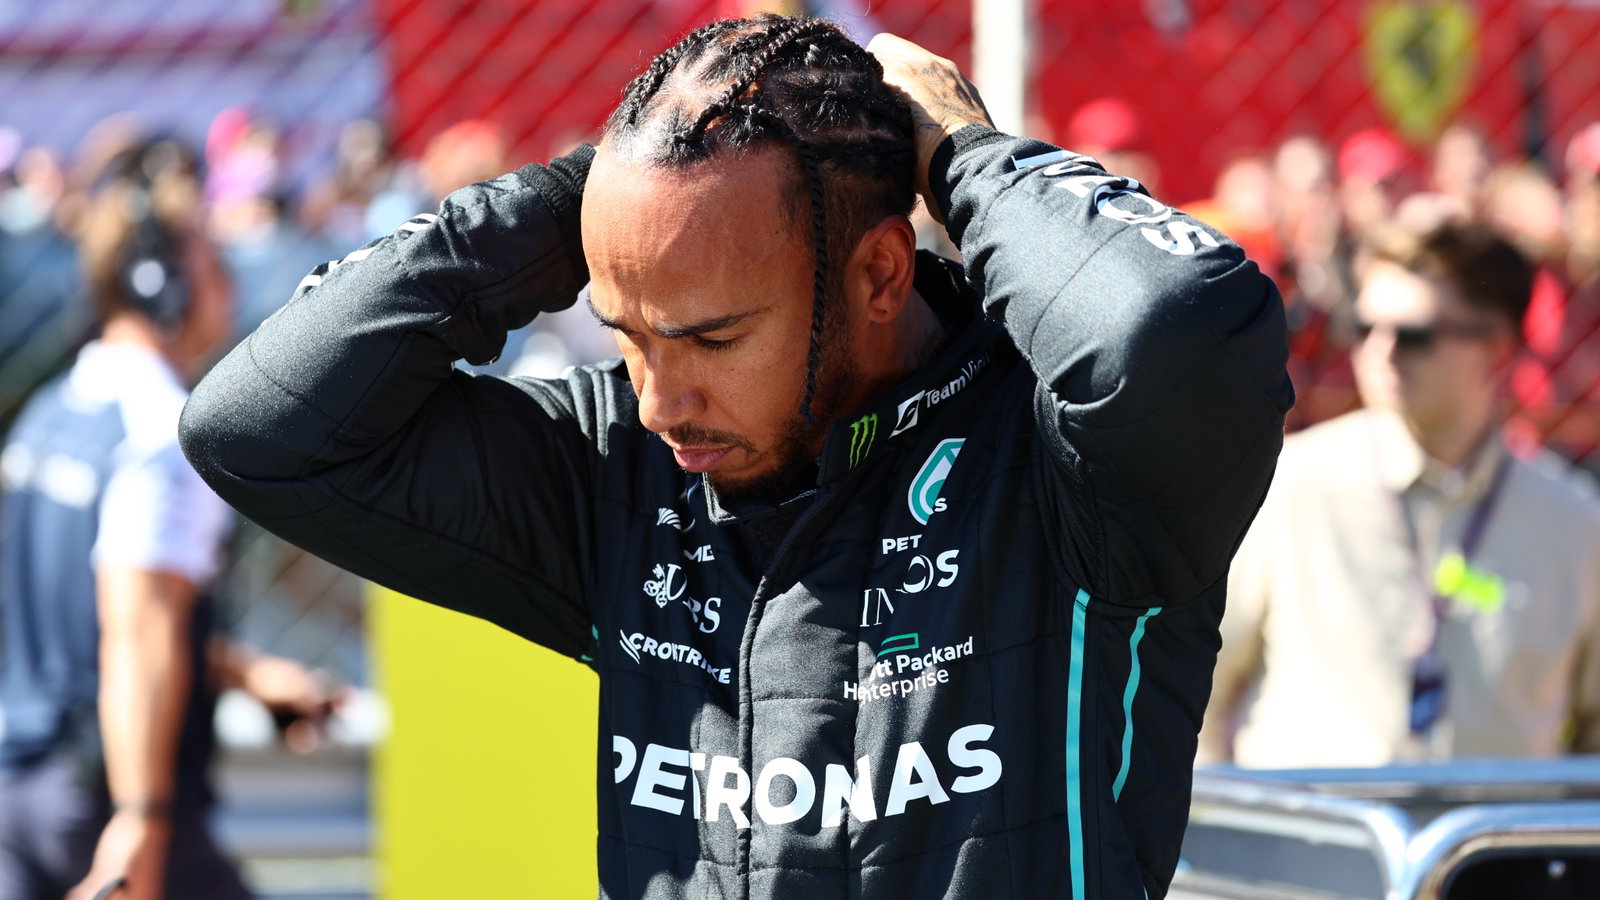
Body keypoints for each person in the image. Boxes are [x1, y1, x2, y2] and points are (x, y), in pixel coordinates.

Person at [179, 17, 1291, 898]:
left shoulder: (1074, 462)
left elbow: (1175, 325)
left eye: (710, 336)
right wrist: (618, 179)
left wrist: (961, 156)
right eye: (627, 335)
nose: (659, 399)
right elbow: (255, 427)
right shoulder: (621, 467)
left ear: (879, 275)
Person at [0, 138, 334, 900]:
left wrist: (250, 674)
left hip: (20, 796)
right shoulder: (161, 436)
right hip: (109, 801)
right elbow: (138, 632)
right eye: (213, 265)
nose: (229, 285)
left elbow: (110, 604)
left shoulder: (55, 412)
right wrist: (140, 816)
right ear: (163, 287)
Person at [1201, 219, 1600, 769]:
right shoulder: (1287, 485)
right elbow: (1196, 689)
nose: (1380, 351)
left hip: (1497, 846)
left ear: (1497, 350)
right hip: (1311, 842)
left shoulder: (1574, 522)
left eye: (1414, 335)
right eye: (1363, 327)